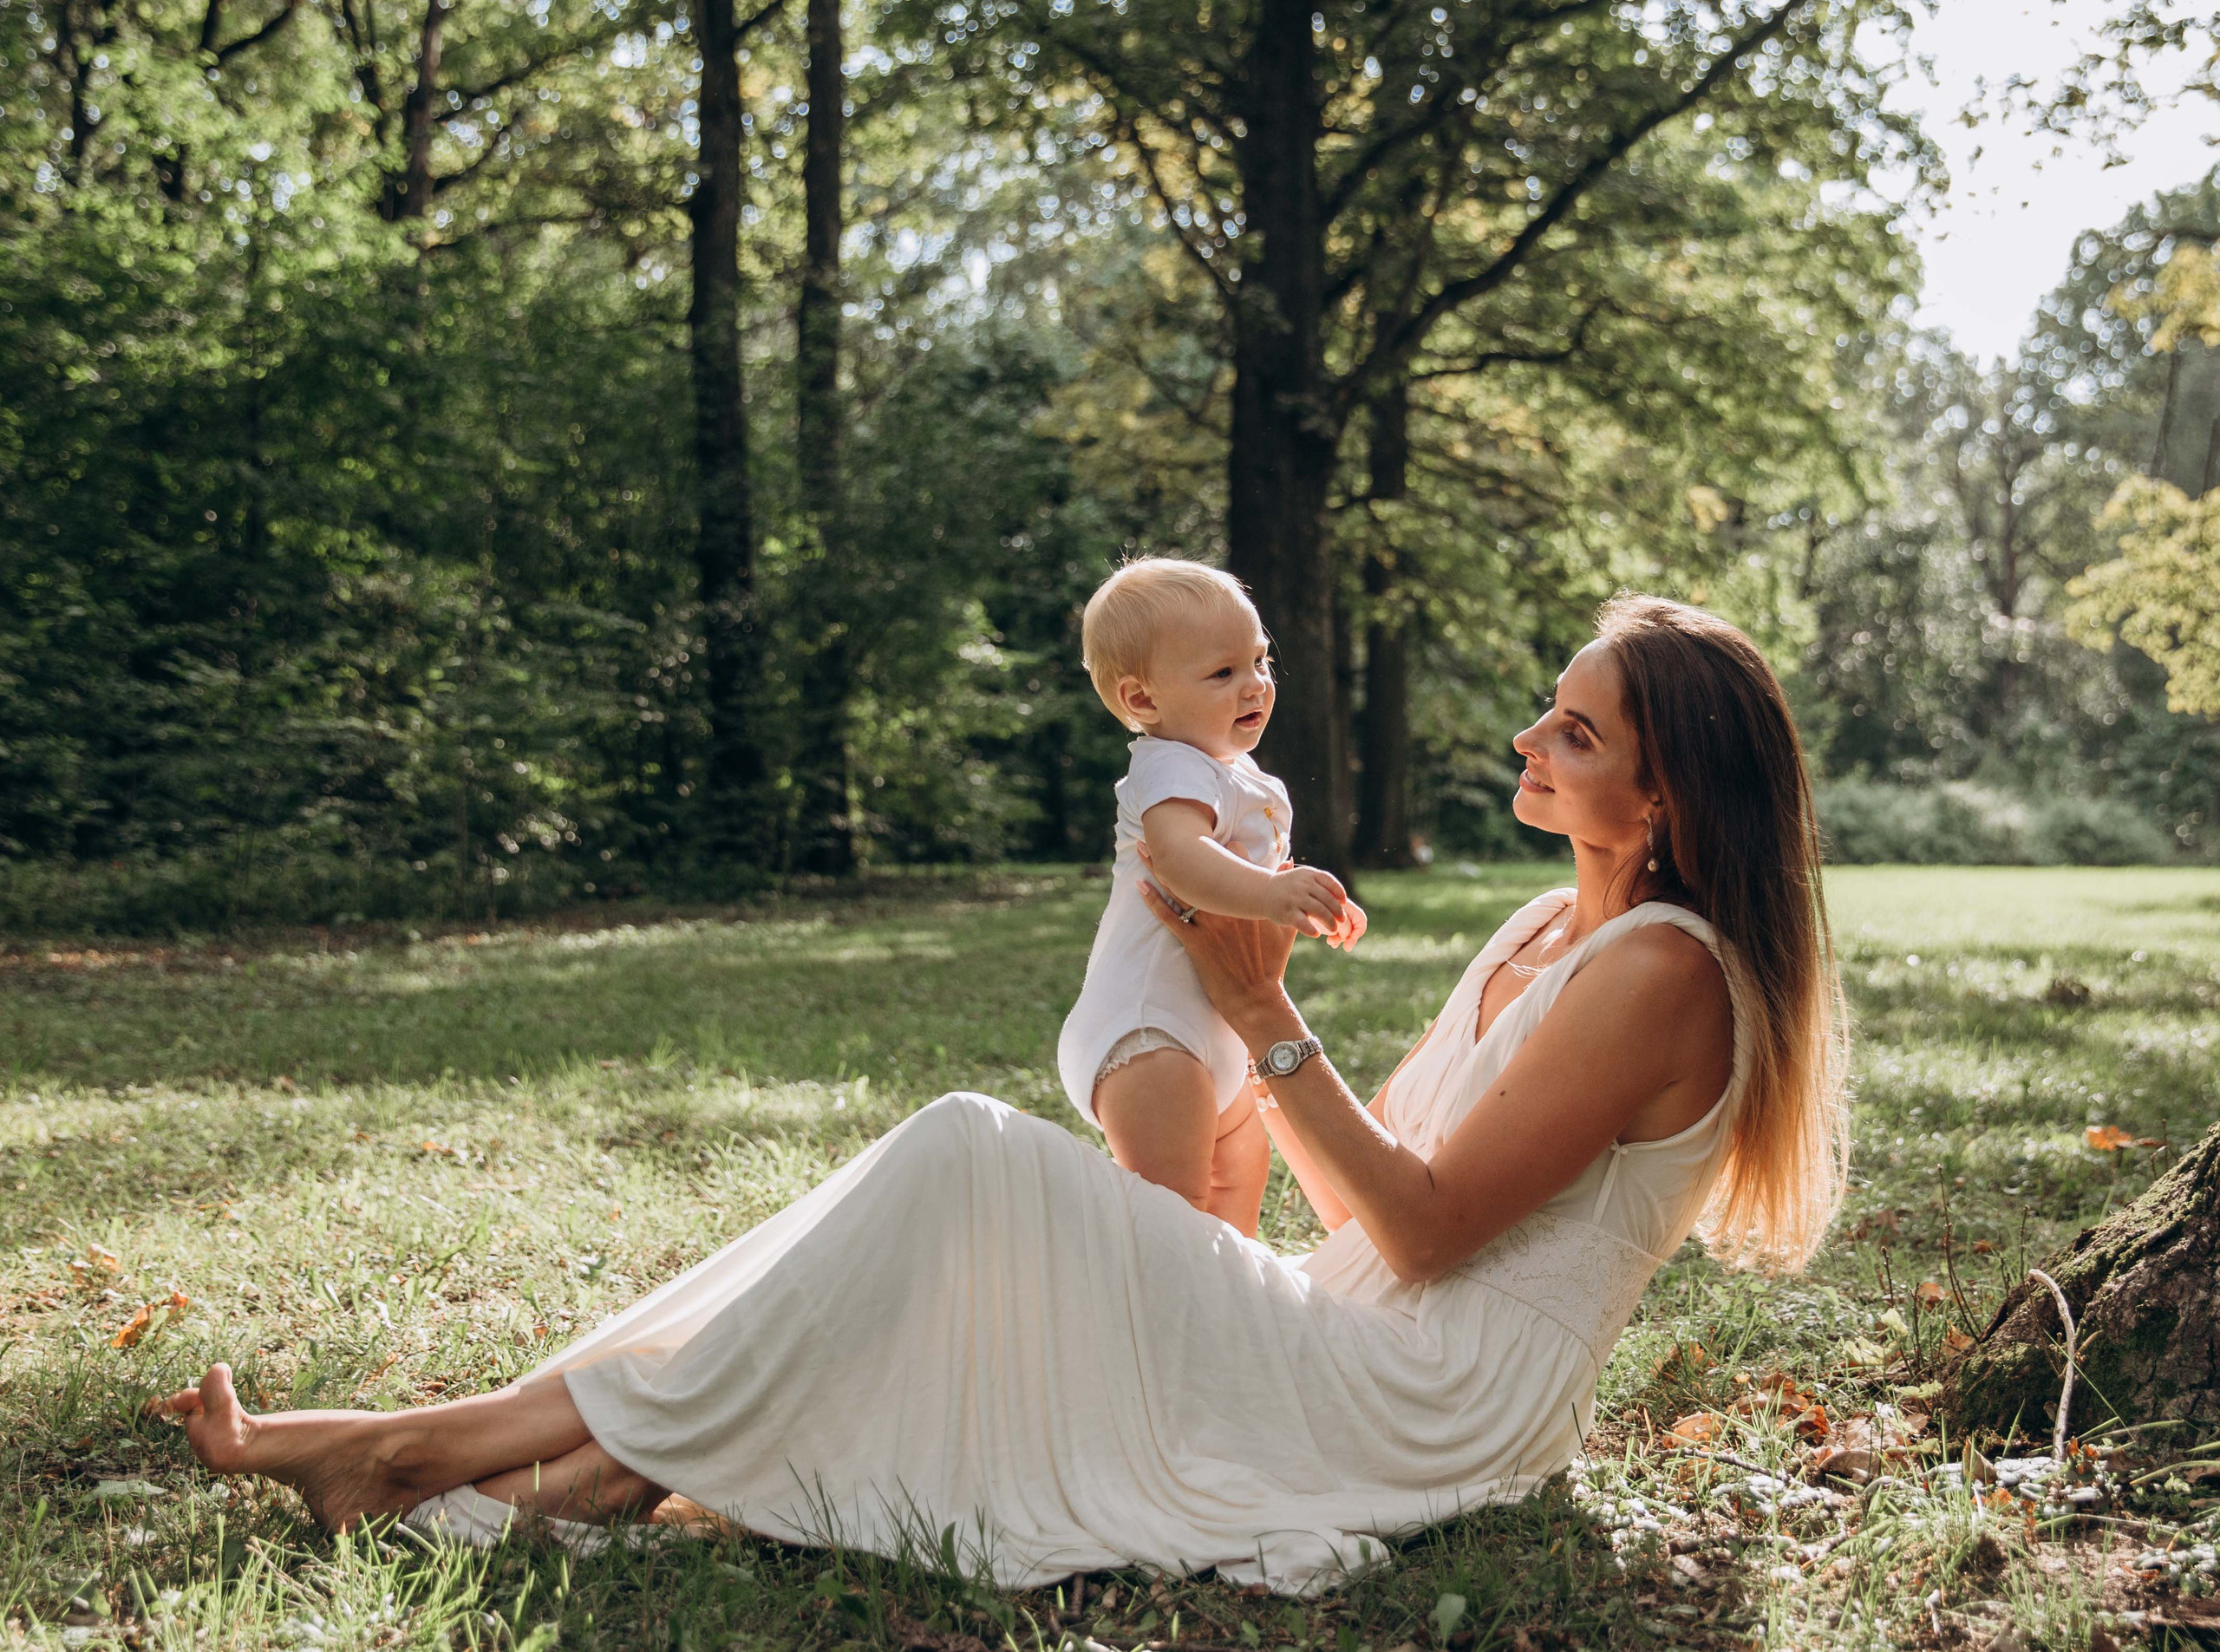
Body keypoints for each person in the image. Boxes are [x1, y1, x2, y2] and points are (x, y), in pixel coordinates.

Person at [156, 594, 1850, 1597]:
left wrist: (1257, 1013)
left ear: (1665, 792)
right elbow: (1367, 1197)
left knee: (969, 1158)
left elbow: (1417, 1234)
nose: (1529, 739)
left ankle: (417, 1452)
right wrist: (1230, 1133)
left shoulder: (1662, 972)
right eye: (1548, 711)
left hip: (1434, 1404)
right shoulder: (1541, 927)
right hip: (1353, 1322)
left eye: (1575, 732)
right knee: (954, 1215)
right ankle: (517, 1480)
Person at [1057, 557, 1365, 1233]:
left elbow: (1255, 878)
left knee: (1236, 1201)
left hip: (1218, 1038)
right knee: (1173, 1220)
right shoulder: (1168, 766)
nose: (1255, 683)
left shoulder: (1242, 776)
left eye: (1259, 660)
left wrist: (1310, 899)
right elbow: (1182, 858)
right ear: (1143, 701)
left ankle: (1228, 1299)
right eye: (1223, 672)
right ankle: (1148, 1295)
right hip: (1150, 1034)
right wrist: (1274, 893)